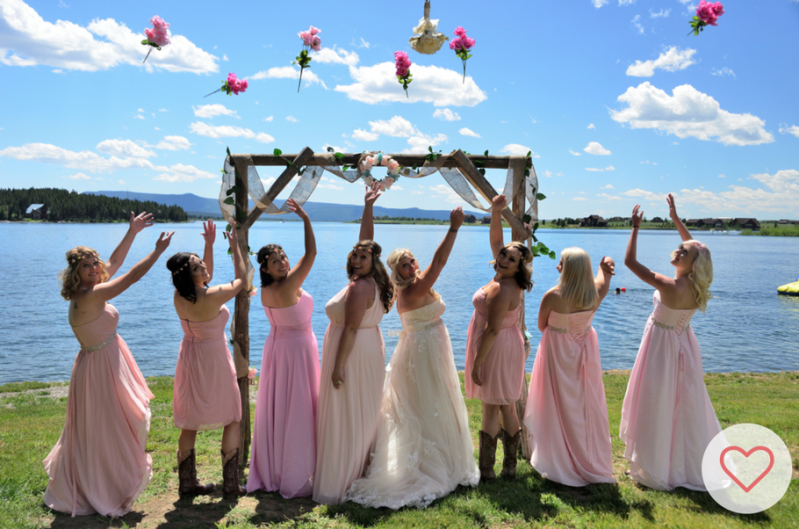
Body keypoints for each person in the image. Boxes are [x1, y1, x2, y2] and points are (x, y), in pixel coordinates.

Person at [345, 207, 479, 509]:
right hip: (425, 353)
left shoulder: (405, 288)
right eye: (404, 265)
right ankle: (430, 463)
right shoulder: (416, 288)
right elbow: (441, 261)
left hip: (421, 349)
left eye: (412, 261)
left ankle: (438, 453)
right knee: (430, 403)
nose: (411, 267)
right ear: (396, 271)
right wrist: (454, 228)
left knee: (428, 403)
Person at [44, 213, 173, 517]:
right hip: (100, 367)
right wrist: (157, 251)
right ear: (75, 272)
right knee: (116, 424)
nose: (94, 269)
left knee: (111, 425)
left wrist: (132, 231)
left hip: (100, 361)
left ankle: (106, 479)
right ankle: (107, 485)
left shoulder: (87, 289)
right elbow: (130, 277)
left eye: (94, 264)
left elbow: (113, 263)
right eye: (85, 265)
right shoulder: (91, 295)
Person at [620, 194, 721, 490]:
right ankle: (682, 461)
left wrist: (635, 227)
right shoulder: (697, 284)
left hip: (660, 348)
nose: (677, 252)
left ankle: (655, 467)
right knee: (684, 403)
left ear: (691, 265)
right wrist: (676, 220)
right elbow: (696, 249)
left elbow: (629, 262)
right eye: (678, 249)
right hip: (684, 345)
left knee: (656, 402)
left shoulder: (669, 284)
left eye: (682, 254)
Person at [313, 182, 395, 504]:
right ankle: (357, 470)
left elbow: (348, 329)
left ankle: (340, 481)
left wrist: (338, 366)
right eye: (355, 255)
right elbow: (368, 240)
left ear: (372, 261)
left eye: (364, 256)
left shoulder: (360, 288)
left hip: (352, 351)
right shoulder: (373, 283)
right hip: (369, 347)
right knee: (360, 411)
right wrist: (368, 207)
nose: (358, 258)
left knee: (346, 413)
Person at [166, 219, 247, 497]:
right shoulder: (212, 295)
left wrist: (209, 246)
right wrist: (235, 247)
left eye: (200, 262)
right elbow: (241, 279)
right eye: (198, 266)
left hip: (189, 355)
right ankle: (231, 483)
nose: (204, 267)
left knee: (190, 418)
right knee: (233, 415)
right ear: (190, 275)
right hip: (213, 357)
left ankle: (187, 483)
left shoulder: (180, 294)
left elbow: (204, 279)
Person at [523, 248, 616, 486]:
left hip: (558, 355)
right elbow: (604, 276)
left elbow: (542, 326)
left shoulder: (553, 296)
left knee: (555, 403)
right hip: (585, 354)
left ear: (570, 268)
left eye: (561, 263)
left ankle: (557, 457)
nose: (557, 267)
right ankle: (586, 455)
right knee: (585, 403)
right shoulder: (596, 292)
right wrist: (605, 263)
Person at [248, 199, 319, 499]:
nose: (283, 262)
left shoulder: (263, 288)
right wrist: (304, 218)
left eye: (284, 257)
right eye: (275, 260)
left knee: (277, 408)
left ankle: (276, 466)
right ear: (265, 266)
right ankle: (296, 470)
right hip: (297, 349)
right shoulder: (289, 284)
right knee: (299, 408)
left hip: (277, 349)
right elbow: (312, 253)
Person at [464, 195, 534, 482]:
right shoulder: (510, 279)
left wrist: (478, 363)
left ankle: (488, 470)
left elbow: (491, 330)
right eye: (503, 255)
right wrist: (496, 212)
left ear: (519, 266)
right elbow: (497, 241)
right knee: (506, 402)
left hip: (496, 346)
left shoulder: (500, 288)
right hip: (510, 344)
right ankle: (508, 468)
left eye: (510, 258)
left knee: (493, 405)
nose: (503, 259)